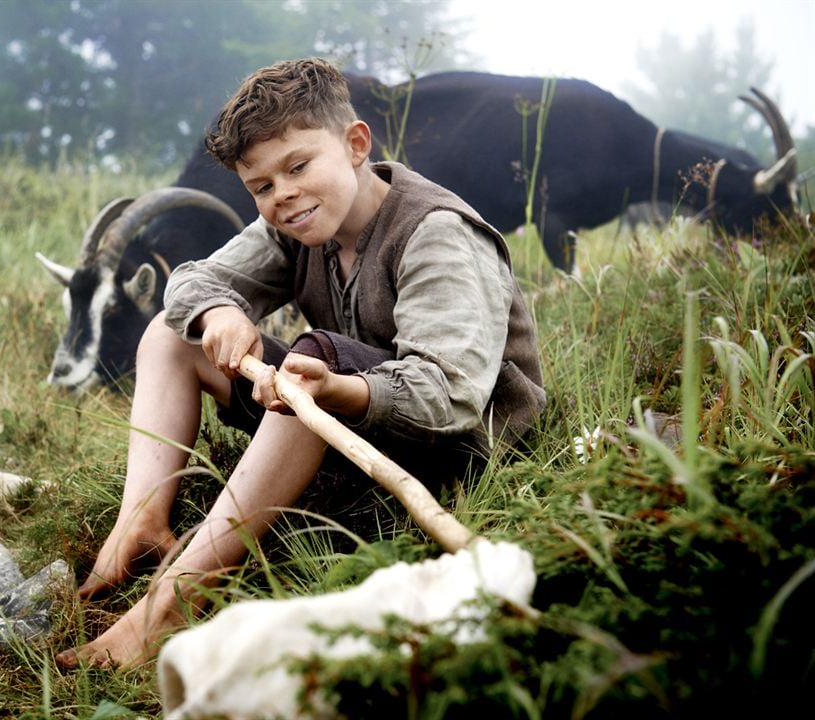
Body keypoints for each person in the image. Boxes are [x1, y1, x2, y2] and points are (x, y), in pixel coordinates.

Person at [54, 57, 546, 670]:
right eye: (261, 186)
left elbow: (449, 395)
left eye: (299, 166)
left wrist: (336, 387)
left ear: (355, 144)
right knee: (171, 333)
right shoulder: (295, 224)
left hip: (459, 456)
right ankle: (143, 521)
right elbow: (192, 282)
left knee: (308, 365)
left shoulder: (435, 233)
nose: (282, 195)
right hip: (347, 430)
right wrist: (221, 313)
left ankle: (175, 603)